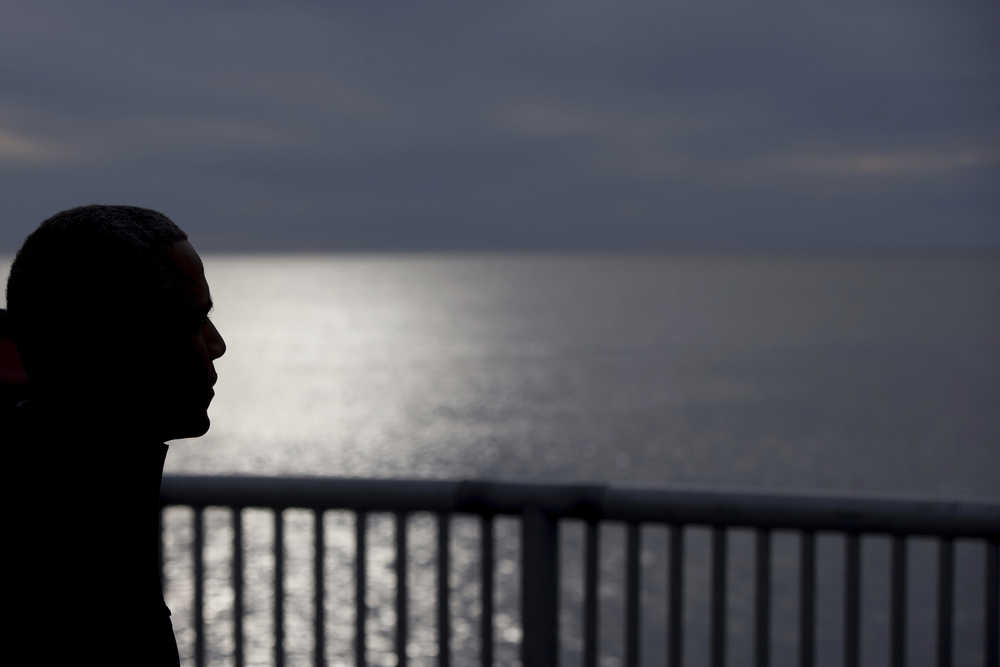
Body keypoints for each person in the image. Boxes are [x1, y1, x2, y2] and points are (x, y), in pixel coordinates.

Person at [4, 205, 226, 665]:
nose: (217, 344)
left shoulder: (82, 499)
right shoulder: (68, 550)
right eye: (190, 322)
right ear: (110, 342)